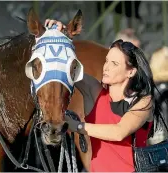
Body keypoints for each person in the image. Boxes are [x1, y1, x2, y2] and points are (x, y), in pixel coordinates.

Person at [44, 19, 167, 172]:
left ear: (131, 72)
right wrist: (60, 36)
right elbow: (67, 66)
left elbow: (119, 132)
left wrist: (77, 126)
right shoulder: (95, 92)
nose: (106, 67)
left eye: (114, 64)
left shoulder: (143, 101)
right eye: (106, 61)